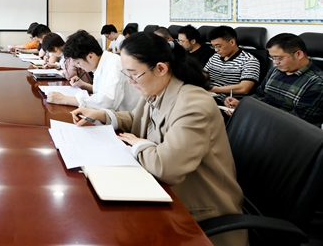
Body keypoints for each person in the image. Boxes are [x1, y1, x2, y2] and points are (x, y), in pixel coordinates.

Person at [71, 32, 246, 246]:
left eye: (134, 74)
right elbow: (137, 119)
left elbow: (166, 166)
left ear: (161, 68)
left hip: (198, 212)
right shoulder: (156, 90)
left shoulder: (193, 103)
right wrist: (103, 115)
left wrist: (139, 145)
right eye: (127, 73)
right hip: (162, 191)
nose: (130, 81)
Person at [225, 33, 323, 126]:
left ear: (298, 54)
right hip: (260, 119)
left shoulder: (317, 83)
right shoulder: (275, 71)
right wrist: (242, 104)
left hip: (283, 128)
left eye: (279, 58)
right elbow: (259, 95)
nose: (275, 62)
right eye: (272, 58)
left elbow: (296, 121)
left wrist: (250, 113)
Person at [45, 30, 138, 111]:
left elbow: (107, 101)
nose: (80, 67)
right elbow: (103, 90)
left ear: (90, 56)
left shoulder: (114, 64)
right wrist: (83, 85)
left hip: (125, 118)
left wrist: (64, 99)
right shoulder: (101, 62)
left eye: (78, 63)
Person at [204, 25, 260, 104]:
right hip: (206, 94)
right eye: (213, 46)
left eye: (219, 46)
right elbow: (204, 74)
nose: (216, 50)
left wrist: (213, 89)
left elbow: (244, 88)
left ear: (232, 42)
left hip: (224, 100)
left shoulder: (249, 60)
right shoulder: (215, 56)